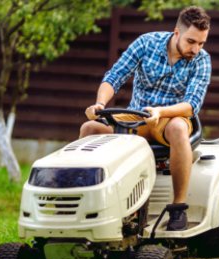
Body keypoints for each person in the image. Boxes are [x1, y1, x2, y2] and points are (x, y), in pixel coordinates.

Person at [79, 6, 212, 231]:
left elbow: (191, 106)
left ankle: (178, 208)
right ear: (176, 32)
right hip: (137, 117)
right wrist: (100, 104)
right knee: (89, 128)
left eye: (201, 43)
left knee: (179, 128)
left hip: (171, 118)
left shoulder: (202, 60)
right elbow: (114, 76)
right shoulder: (146, 43)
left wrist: (161, 112)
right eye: (191, 42)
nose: (196, 49)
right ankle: (86, 200)